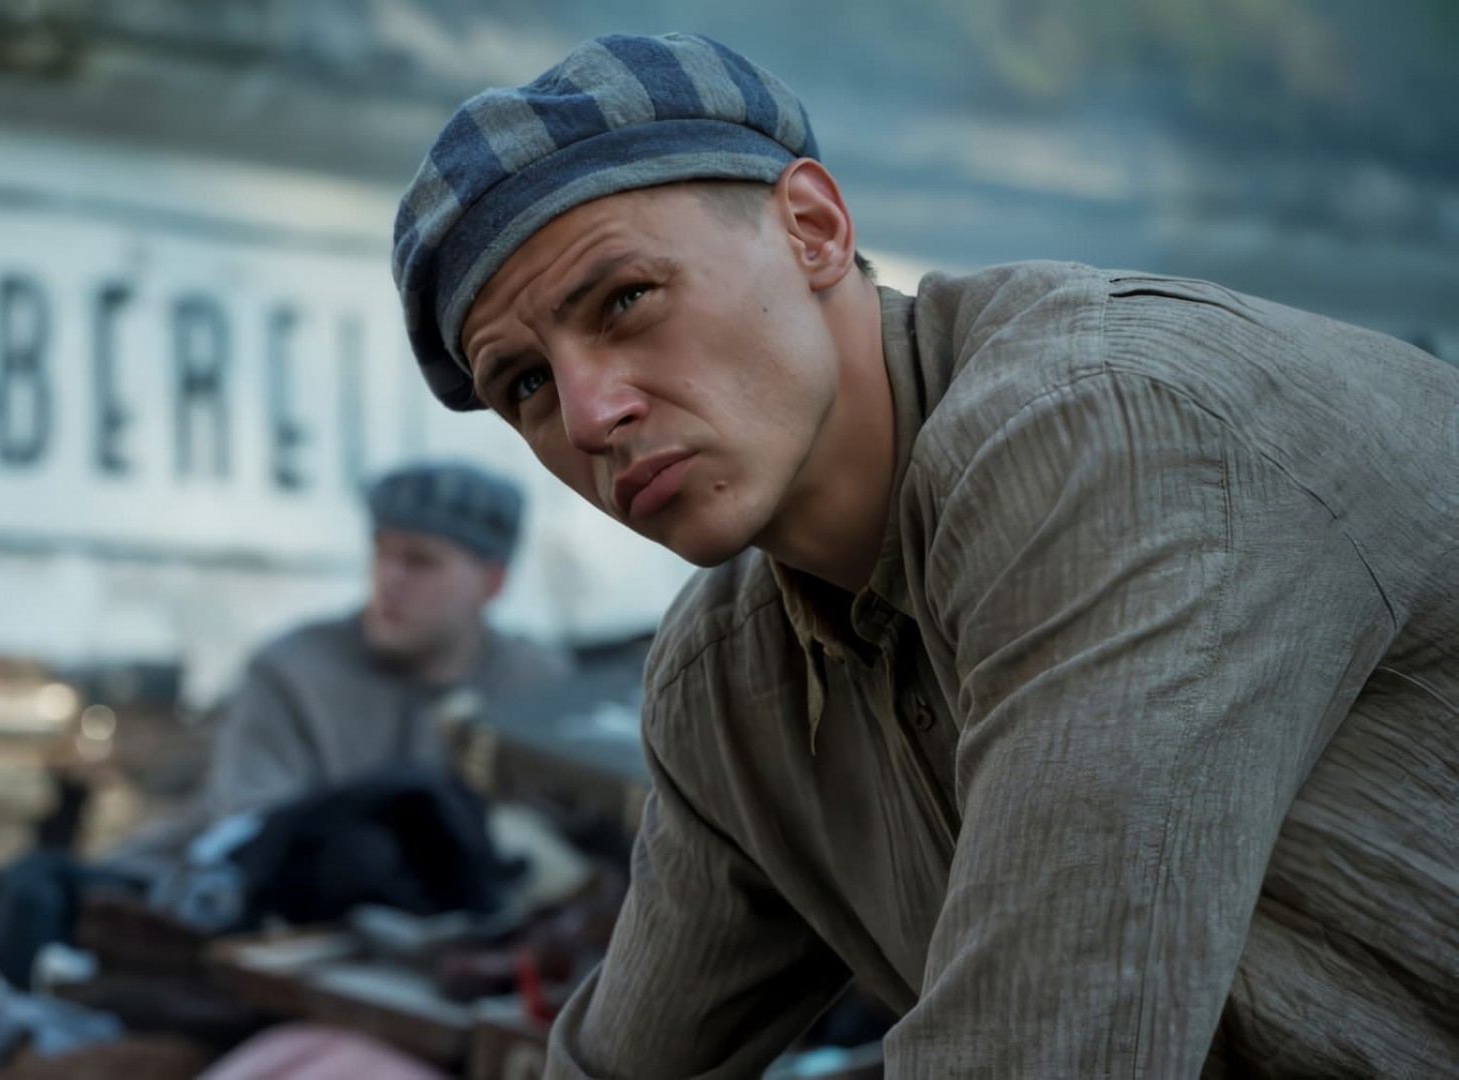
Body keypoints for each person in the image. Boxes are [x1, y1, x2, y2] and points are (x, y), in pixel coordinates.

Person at [391, 32, 1459, 1078]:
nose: (590, 416)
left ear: (813, 229)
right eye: (526, 383)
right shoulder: (728, 675)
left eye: (626, 300)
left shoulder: (1111, 437)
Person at [204, 461, 570, 819]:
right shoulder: (294, 671)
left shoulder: (536, 685)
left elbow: (580, 822)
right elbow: (249, 823)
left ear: (492, 583)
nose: (389, 578)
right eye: (382, 552)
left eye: (421, 561)